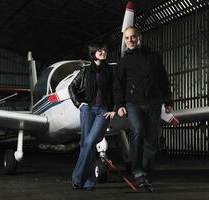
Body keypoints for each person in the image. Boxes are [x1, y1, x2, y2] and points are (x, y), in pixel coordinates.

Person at [114, 26, 173, 192]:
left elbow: (163, 79)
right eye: (127, 38)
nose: (130, 40)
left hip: (154, 103)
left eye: (132, 37)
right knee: (138, 131)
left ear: (139, 37)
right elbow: (118, 85)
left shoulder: (154, 57)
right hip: (133, 104)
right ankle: (138, 172)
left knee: (152, 139)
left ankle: (146, 171)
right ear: (124, 41)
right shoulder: (123, 62)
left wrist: (168, 101)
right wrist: (119, 105)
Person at [69, 42, 115, 191]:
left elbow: (117, 90)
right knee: (85, 144)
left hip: (103, 111)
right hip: (87, 109)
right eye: (100, 50)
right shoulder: (85, 71)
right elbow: (72, 87)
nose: (103, 52)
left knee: (89, 143)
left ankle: (77, 178)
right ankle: (89, 182)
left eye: (105, 50)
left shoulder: (111, 71)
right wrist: (79, 104)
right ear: (93, 52)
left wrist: (114, 108)